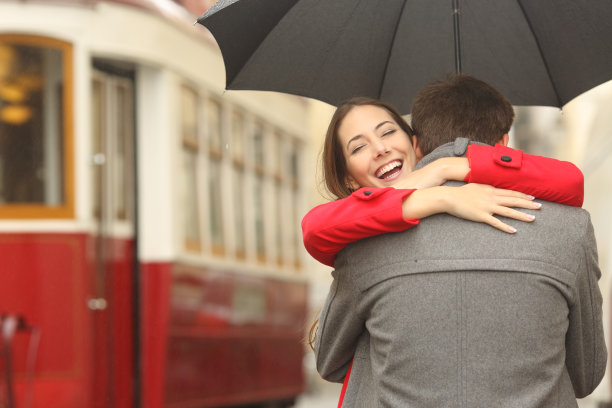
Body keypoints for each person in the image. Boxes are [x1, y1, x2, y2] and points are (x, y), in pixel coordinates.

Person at [311, 75, 606, 407]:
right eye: (359, 145)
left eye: (387, 132)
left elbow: (329, 361)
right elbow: (587, 375)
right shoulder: (571, 228)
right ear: (505, 143)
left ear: (416, 144)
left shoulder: (363, 241)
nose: (380, 149)